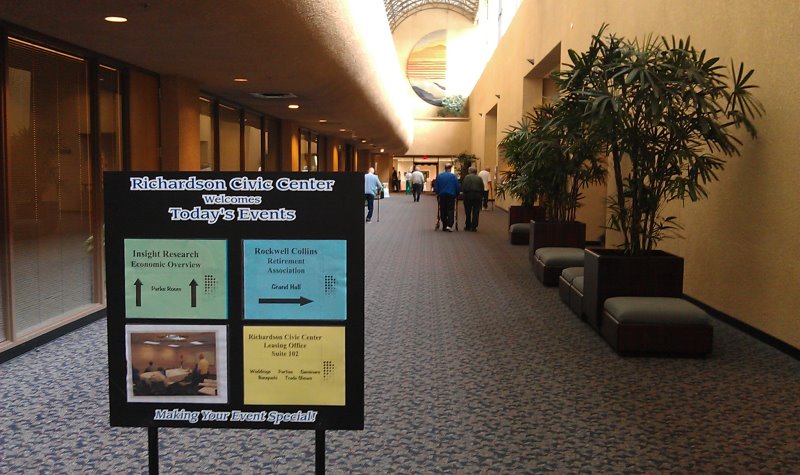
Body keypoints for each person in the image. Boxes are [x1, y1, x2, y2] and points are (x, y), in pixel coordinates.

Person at [433, 163, 461, 232]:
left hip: (442, 195)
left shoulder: (440, 176)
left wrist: (437, 193)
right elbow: (457, 186)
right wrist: (457, 194)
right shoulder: (453, 176)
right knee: (451, 209)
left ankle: (444, 225)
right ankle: (449, 225)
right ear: (450, 168)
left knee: (443, 209)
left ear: (445, 168)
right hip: (451, 195)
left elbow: (436, 186)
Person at [462, 166, 484, 231]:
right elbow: (482, 187)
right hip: (477, 196)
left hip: (468, 195)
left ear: (470, 171)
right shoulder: (479, 178)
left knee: (468, 211)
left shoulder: (467, 177)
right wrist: (481, 196)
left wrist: (464, 195)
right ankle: (474, 226)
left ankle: (468, 225)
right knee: (476, 211)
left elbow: (464, 187)